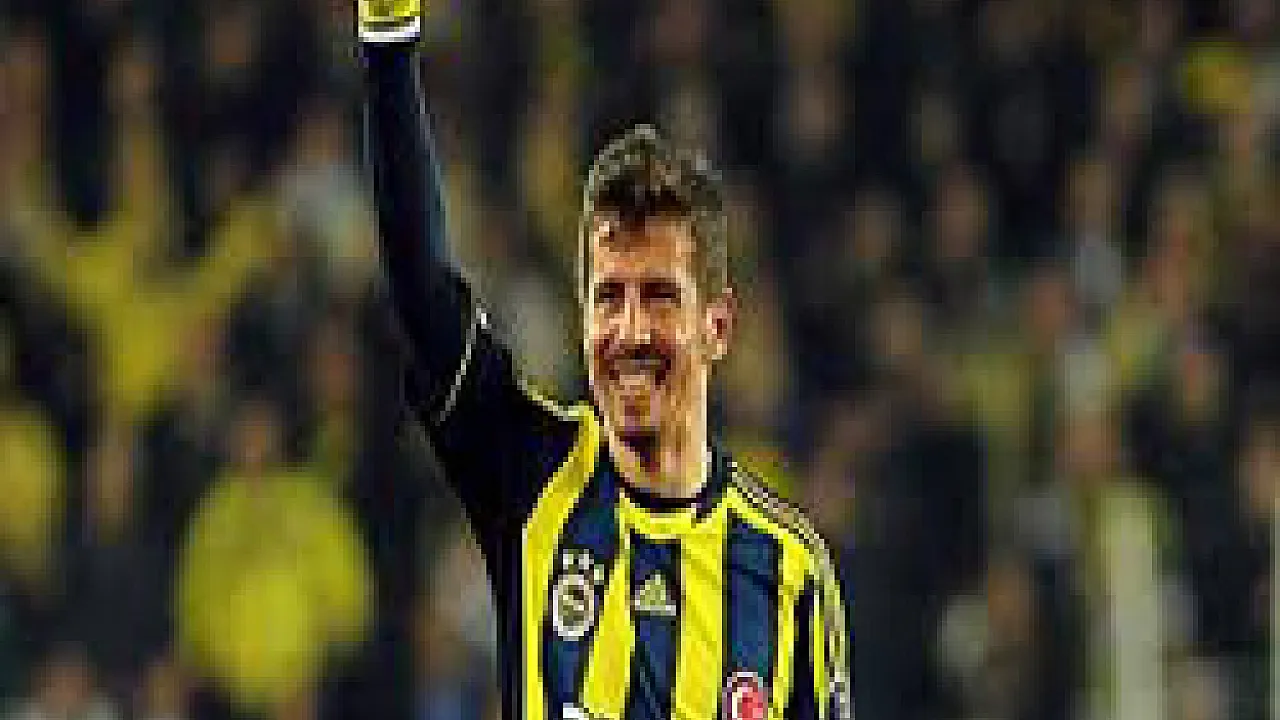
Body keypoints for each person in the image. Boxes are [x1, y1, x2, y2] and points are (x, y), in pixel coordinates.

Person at [355, 1, 852, 718]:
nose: (630, 331)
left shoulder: (791, 573)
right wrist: (389, 36)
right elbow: (421, 290)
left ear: (717, 326)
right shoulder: (532, 474)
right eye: (608, 297)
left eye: (659, 297)